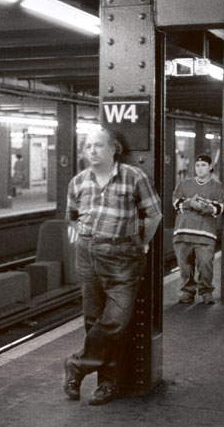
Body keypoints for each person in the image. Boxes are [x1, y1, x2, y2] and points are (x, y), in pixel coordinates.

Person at [63, 126, 162, 406]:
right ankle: (107, 383)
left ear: (113, 148)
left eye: (98, 146)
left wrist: (140, 243)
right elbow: (72, 218)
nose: (92, 151)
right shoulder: (78, 182)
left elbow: (154, 215)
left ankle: (76, 365)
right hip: (88, 253)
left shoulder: (134, 177)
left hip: (123, 255)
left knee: (115, 322)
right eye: (87, 147)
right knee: (93, 320)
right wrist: (85, 241)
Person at [172, 154, 224, 305]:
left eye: (203, 165)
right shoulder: (184, 184)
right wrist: (190, 203)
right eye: (197, 165)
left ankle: (206, 291)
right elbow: (176, 202)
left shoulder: (217, 187)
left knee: (205, 264)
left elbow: (219, 208)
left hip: (205, 234)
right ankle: (187, 291)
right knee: (184, 265)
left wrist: (203, 207)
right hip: (183, 232)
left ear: (210, 167)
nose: (200, 168)